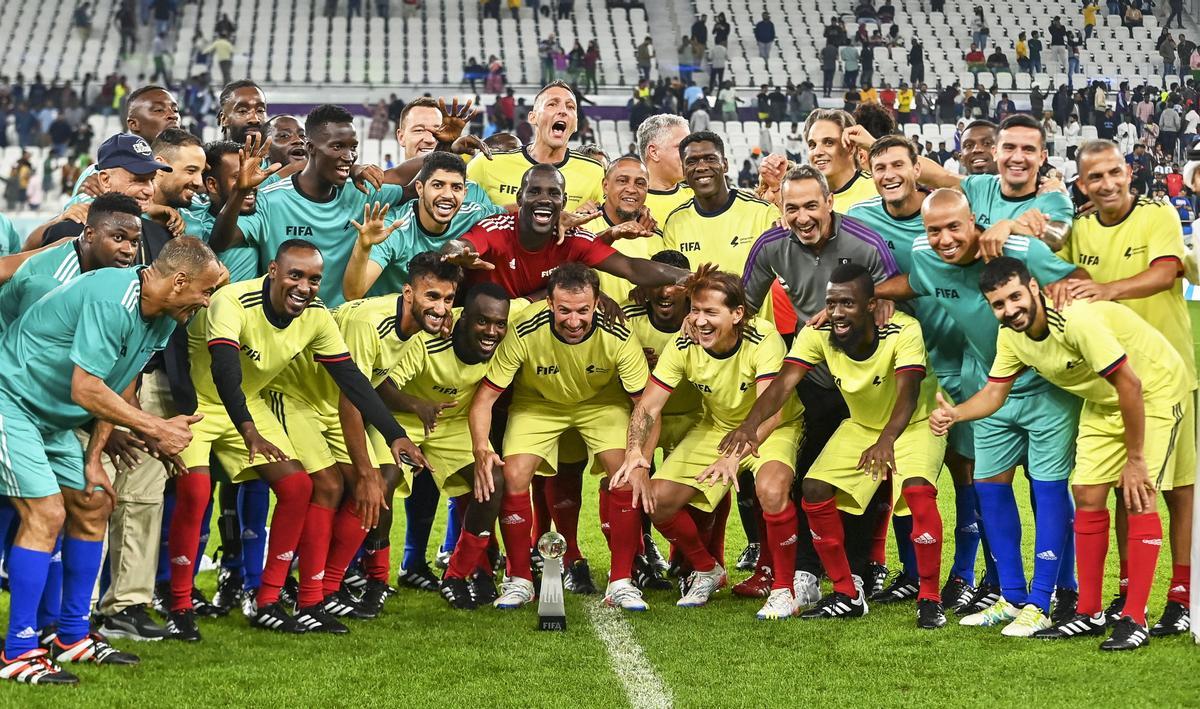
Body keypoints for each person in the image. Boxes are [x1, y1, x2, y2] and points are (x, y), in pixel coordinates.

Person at [166, 240, 423, 639]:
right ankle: (178, 605)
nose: (304, 286)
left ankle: (270, 600)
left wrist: (395, 434)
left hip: (248, 405)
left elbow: (352, 380)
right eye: (295, 275)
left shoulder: (317, 317)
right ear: (273, 271)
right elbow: (225, 371)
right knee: (196, 492)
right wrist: (248, 431)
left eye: (314, 279)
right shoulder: (231, 301)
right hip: (202, 404)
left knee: (298, 487)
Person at [932, 257, 1187, 651]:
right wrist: (955, 413)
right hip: (1103, 401)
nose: (1010, 309)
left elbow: (1131, 384)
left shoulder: (1075, 320)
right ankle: (1088, 612)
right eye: (999, 304)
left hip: (1152, 390)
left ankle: (1134, 617)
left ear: (1033, 287)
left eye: (1015, 296)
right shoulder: (1011, 335)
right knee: (1086, 493)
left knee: (1139, 496)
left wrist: (1135, 460)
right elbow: (995, 392)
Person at [0, 237, 222, 685]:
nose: (207, 301)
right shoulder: (112, 298)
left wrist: (96, 457)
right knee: (45, 512)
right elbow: (87, 389)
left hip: (51, 417)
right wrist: (155, 428)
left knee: (95, 500)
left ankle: (71, 636)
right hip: (10, 400)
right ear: (179, 282)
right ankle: (18, 650)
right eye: (205, 290)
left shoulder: (162, 315)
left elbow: (121, 382)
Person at [876, 189, 1090, 635]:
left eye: (955, 226)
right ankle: (1012, 598)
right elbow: (918, 282)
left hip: (1047, 387)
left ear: (974, 220)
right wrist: (866, 295)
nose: (945, 238)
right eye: (934, 229)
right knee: (989, 488)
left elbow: (1077, 280)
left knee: (1048, 488)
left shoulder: (1018, 249)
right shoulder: (923, 252)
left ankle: (1046, 598)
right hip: (988, 387)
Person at [727, 263, 948, 628]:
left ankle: (930, 599)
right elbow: (784, 384)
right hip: (862, 425)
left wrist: (886, 441)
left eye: (847, 303)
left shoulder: (904, 329)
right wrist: (750, 426)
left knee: (918, 491)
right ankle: (847, 593)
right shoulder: (817, 333)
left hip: (913, 424)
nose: (838, 313)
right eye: (832, 303)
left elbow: (908, 395)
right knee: (813, 488)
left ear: (871, 304)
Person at [740, 164, 899, 599]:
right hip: (815, 374)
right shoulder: (771, 247)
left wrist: (860, 305)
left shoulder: (864, 242)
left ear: (830, 203)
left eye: (812, 205)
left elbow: (896, 294)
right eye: (792, 208)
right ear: (780, 207)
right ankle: (810, 568)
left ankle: (865, 566)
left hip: (867, 377)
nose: (803, 216)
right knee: (810, 471)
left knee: (867, 471)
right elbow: (743, 309)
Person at [1059, 140, 1196, 637]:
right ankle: (1124, 592)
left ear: (1128, 171)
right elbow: (1058, 267)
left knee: (1176, 489)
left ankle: (1180, 596)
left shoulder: (1157, 212)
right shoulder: (1078, 228)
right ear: (1082, 185)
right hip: (1112, 378)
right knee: (1120, 486)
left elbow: (1167, 273)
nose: (1108, 183)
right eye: (1095, 177)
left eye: (1114, 172)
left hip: (1169, 372)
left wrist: (1106, 288)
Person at [847, 137, 989, 611]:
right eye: (879, 165)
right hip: (900, 366)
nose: (889, 173)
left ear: (916, 168)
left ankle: (971, 574)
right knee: (909, 471)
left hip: (962, 361)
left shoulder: (948, 214)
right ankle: (911, 571)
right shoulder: (861, 218)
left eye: (898, 164)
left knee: (969, 470)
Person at [617, 267, 805, 617]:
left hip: (772, 428)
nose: (699, 321)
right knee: (655, 501)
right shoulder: (684, 342)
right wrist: (635, 455)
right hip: (718, 428)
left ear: (737, 314)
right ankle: (706, 568)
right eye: (696, 310)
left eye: (711, 312)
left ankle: (784, 589)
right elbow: (648, 405)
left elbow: (773, 412)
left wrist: (736, 455)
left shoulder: (764, 339)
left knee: (771, 490)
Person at [467, 263, 653, 611]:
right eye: (564, 310)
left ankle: (621, 581)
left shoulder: (618, 333)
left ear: (597, 303)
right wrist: (481, 448)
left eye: (583, 310)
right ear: (549, 304)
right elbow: (485, 399)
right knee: (514, 475)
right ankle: (519, 578)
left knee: (625, 475)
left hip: (601, 403)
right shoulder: (524, 329)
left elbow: (644, 406)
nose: (573, 320)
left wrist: (638, 456)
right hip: (538, 404)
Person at [210, 105, 404, 308]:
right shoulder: (270, 199)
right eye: (337, 147)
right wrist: (240, 192)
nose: (348, 156)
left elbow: (417, 184)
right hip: (285, 321)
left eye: (353, 147)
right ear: (310, 148)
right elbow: (221, 242)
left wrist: (440, 145)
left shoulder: (362, 191)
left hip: (341, 322)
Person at [343, 151, 503, 301]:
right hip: (388, 316)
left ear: (465, 193)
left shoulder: (475, 214)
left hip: (437, 315)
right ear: (419, 188)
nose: (447, 195)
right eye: (438, 185)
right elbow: (353, 294)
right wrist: (363, 246)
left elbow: (514, 214)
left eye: (456, 187)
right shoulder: (395, 227)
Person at [467, 81, 604, 213]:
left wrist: (585, 224)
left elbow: (612, 227)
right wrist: (446, 146)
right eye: (552, 104)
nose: (563, 111)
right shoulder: (486, 164)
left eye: (570, 107)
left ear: (575, 124)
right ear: (532, 117)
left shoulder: (595, 173)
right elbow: (456, 218)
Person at [635, 114, 694, 226]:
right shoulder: (623, 202)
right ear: (654, 152)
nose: (690, 154)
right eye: (681, 147)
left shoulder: (699, 199)